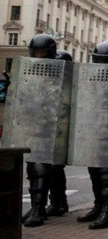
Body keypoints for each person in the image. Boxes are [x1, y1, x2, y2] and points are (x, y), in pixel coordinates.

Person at [76, 41, 108, 229]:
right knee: (94, 170)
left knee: (107, 174)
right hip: (94, 129)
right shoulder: (91, 75)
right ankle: (99, 206)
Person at [22, 34, 65, 227]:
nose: (39, 57)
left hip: (57, 123)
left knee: (48, 166)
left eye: (43, 53)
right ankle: (47, 205)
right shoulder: (29, 69)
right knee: (37, 165)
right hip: (36, 123)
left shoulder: (61, 69)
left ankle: (42, 208)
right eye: (36, 52)